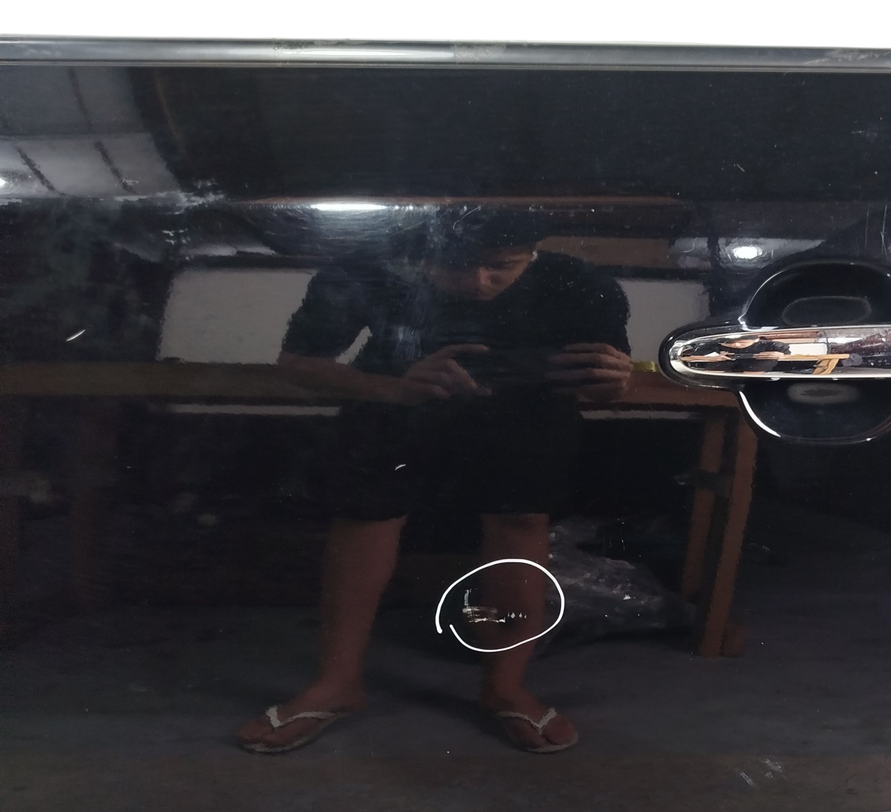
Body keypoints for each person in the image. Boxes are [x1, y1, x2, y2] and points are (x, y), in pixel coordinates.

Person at [236, 208, 632, 754]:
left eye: (501, 266)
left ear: (531, 255)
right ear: (424, 254)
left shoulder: (579, 282)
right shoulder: (367, 269)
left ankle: (505, 686)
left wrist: (615, 382)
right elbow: (297, 361)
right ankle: (337, 683)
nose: (478, 282)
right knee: (365, 520)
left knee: (520, 524)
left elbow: (602, 386)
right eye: (456, 267)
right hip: (392, 406)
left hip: (525, 413)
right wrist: (392, 388)